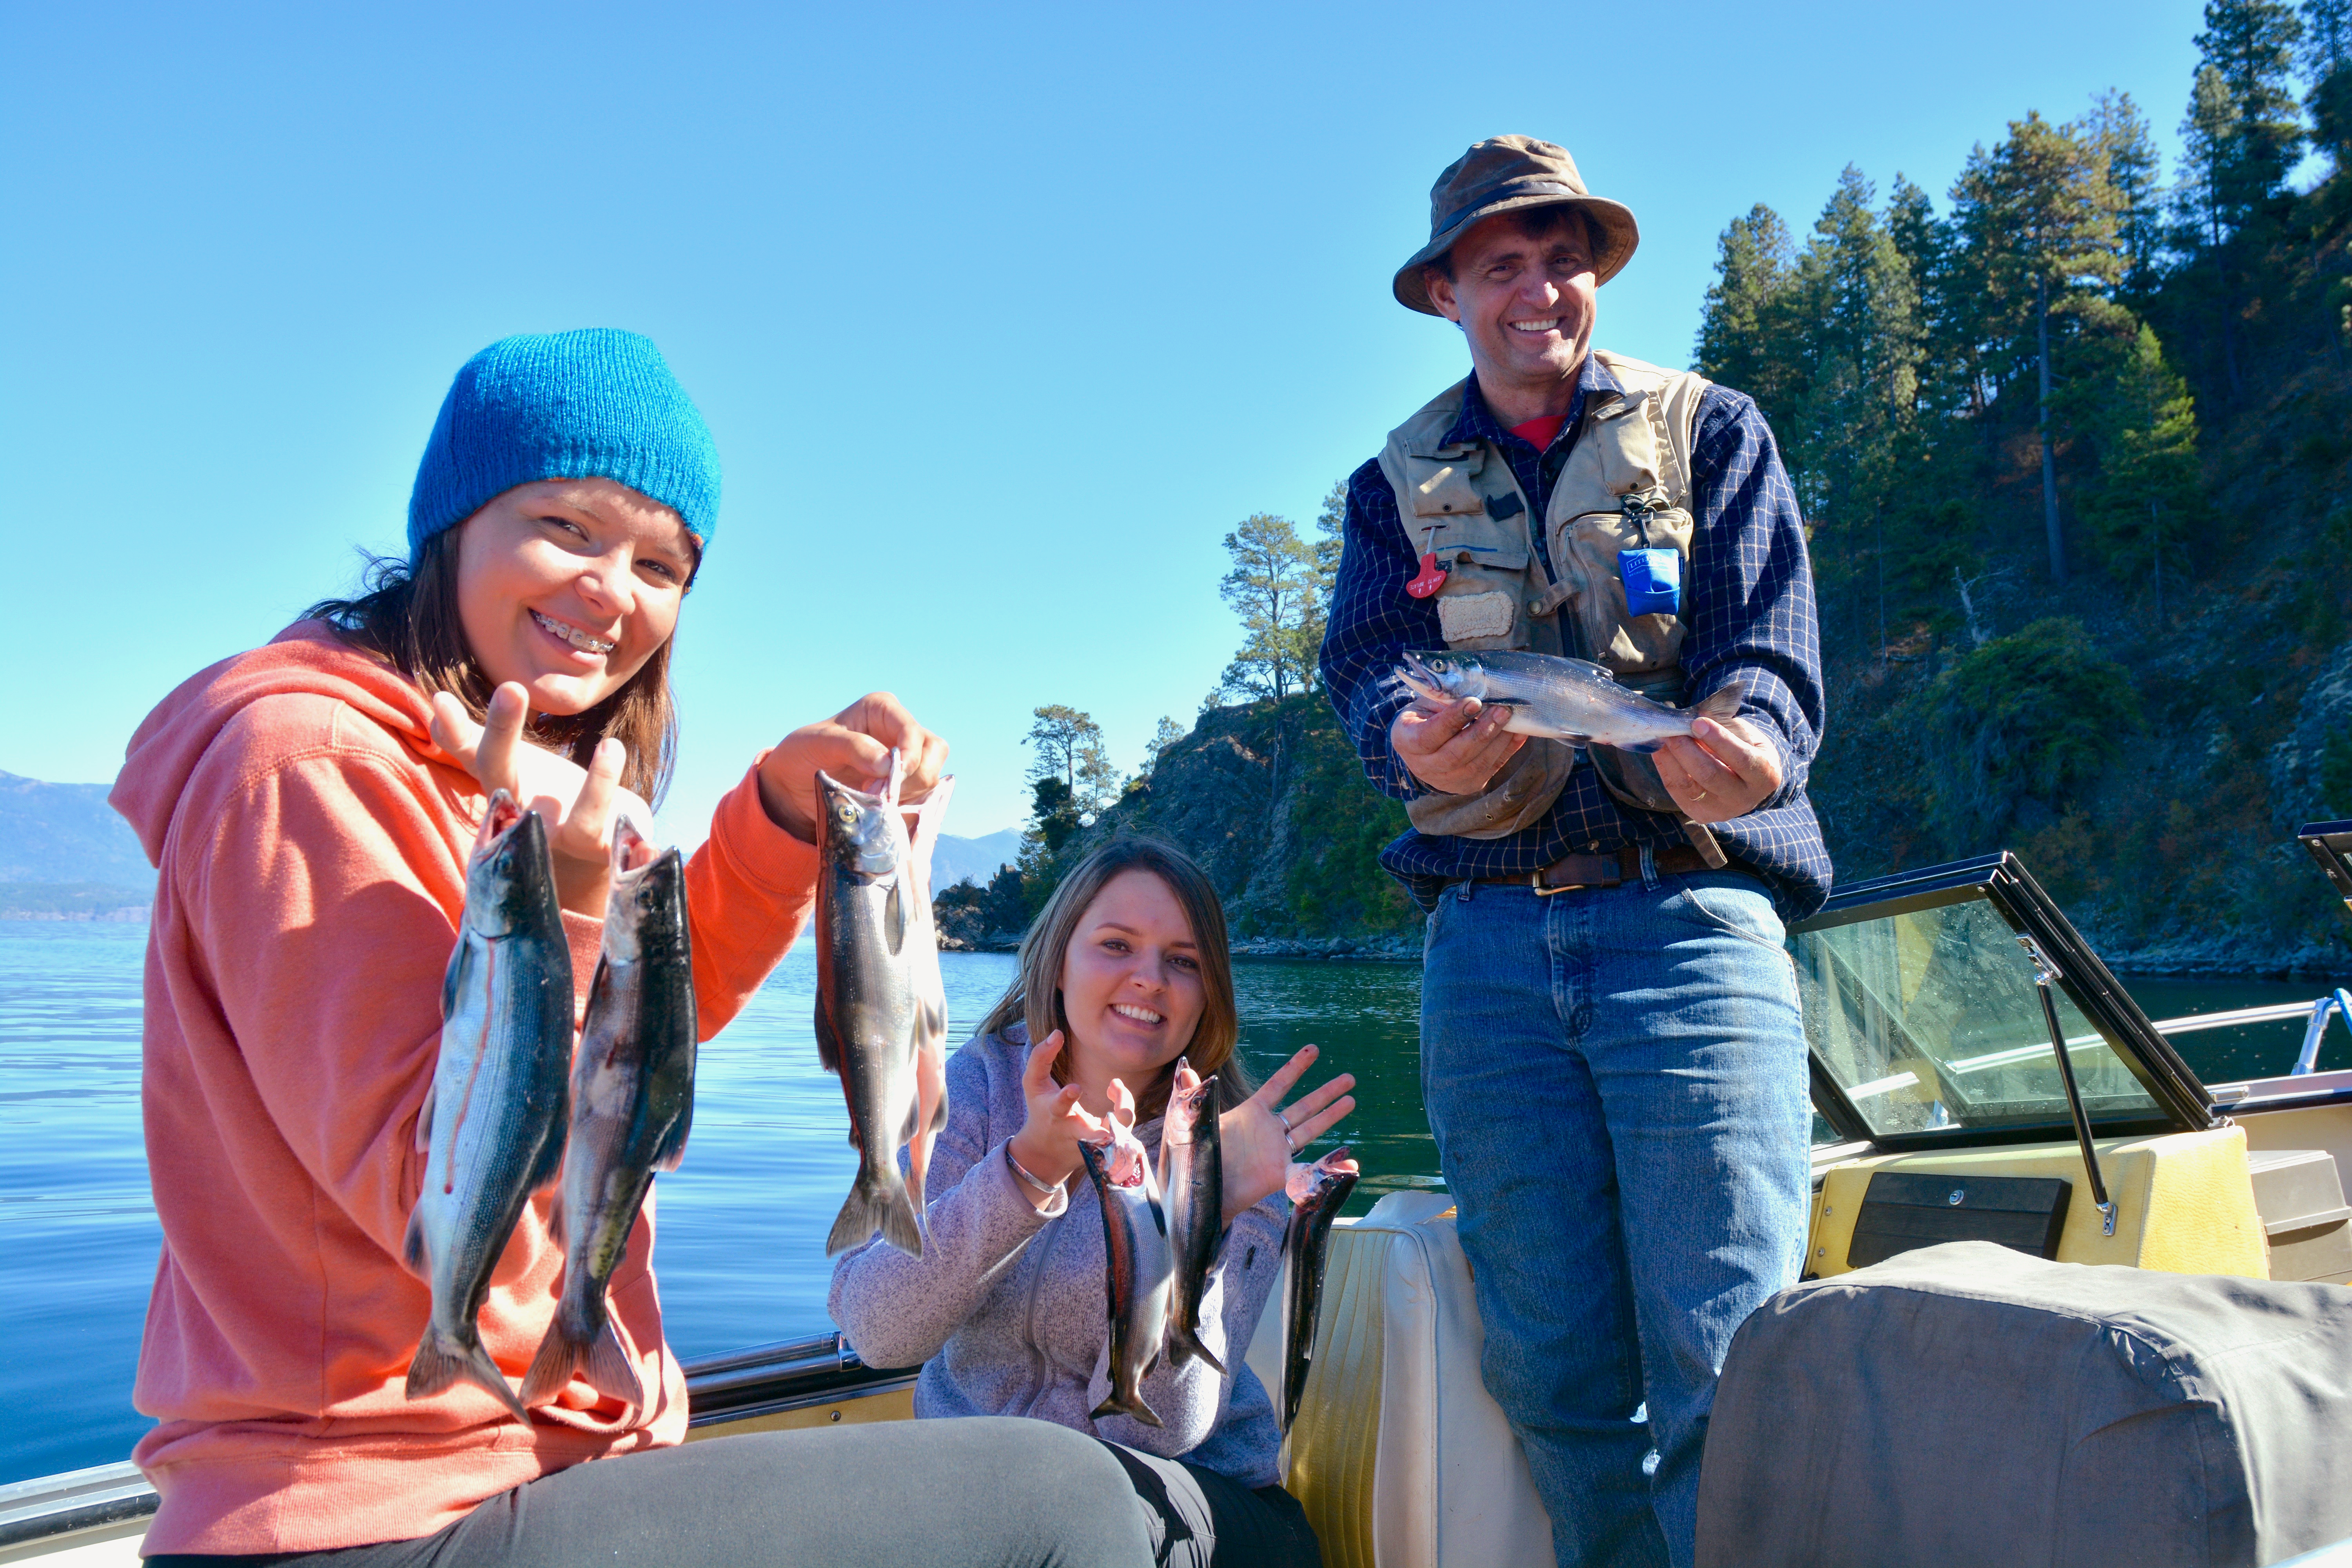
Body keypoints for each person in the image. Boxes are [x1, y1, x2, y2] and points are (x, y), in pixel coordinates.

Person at [114, 328, 1158, 1568]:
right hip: (371, 1511)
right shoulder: (311, 768)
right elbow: (449, 1192)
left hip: (534, 1463)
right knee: (1075, 1503)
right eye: (565, 527)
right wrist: (563, 895)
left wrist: (775, 820)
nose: (615, 591)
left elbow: (639, 1043)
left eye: (662, 564)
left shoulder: (507, 777)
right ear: (454, 521)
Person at [1316, 137, 1829, 1568]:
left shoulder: (1712, 430)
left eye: (1562, 259)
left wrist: (1751, 743)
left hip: (1693, 926)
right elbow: (1366, 664)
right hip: (1482, 953)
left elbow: (1771, 652)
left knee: (1730, 1358)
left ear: (1593, 274)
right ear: (1446, 297)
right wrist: (1405, 743)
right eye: (1502, 266)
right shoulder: (1390, 484)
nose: (1538, 289)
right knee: (1549, 1372)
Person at [829, 838, 1356, 1568]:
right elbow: (879, 1331)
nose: (1150, 979)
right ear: (1059, 955)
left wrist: (1189, 1227)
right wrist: (1025, 1171)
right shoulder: (975, 1091)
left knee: (1072, 1509)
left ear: (1210, 993)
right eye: (1117, 945)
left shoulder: (1240, 1150)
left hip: (1196, 1509)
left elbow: (1160, 1433)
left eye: (1184, 961)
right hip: (985, 1495)